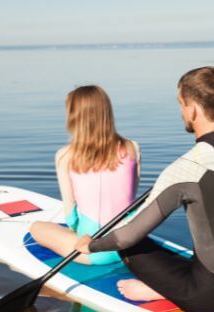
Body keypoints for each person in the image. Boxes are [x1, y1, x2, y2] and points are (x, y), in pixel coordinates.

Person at [74, 66, 214, 312]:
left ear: (191, 109)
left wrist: (90, 245)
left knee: (129, 245)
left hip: (210, 300)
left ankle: (158, 292)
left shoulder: (183, 169)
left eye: (181, 104)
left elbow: (126, 237)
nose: (181, 112)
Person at [29, 85, 140, 265]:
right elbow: (131, 200)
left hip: (94, 252)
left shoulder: (65, 156)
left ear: (74, 117)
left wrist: (77, 229)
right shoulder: (133, 148)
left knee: (37, 228)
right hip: (131, 243)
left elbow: (71, 218)